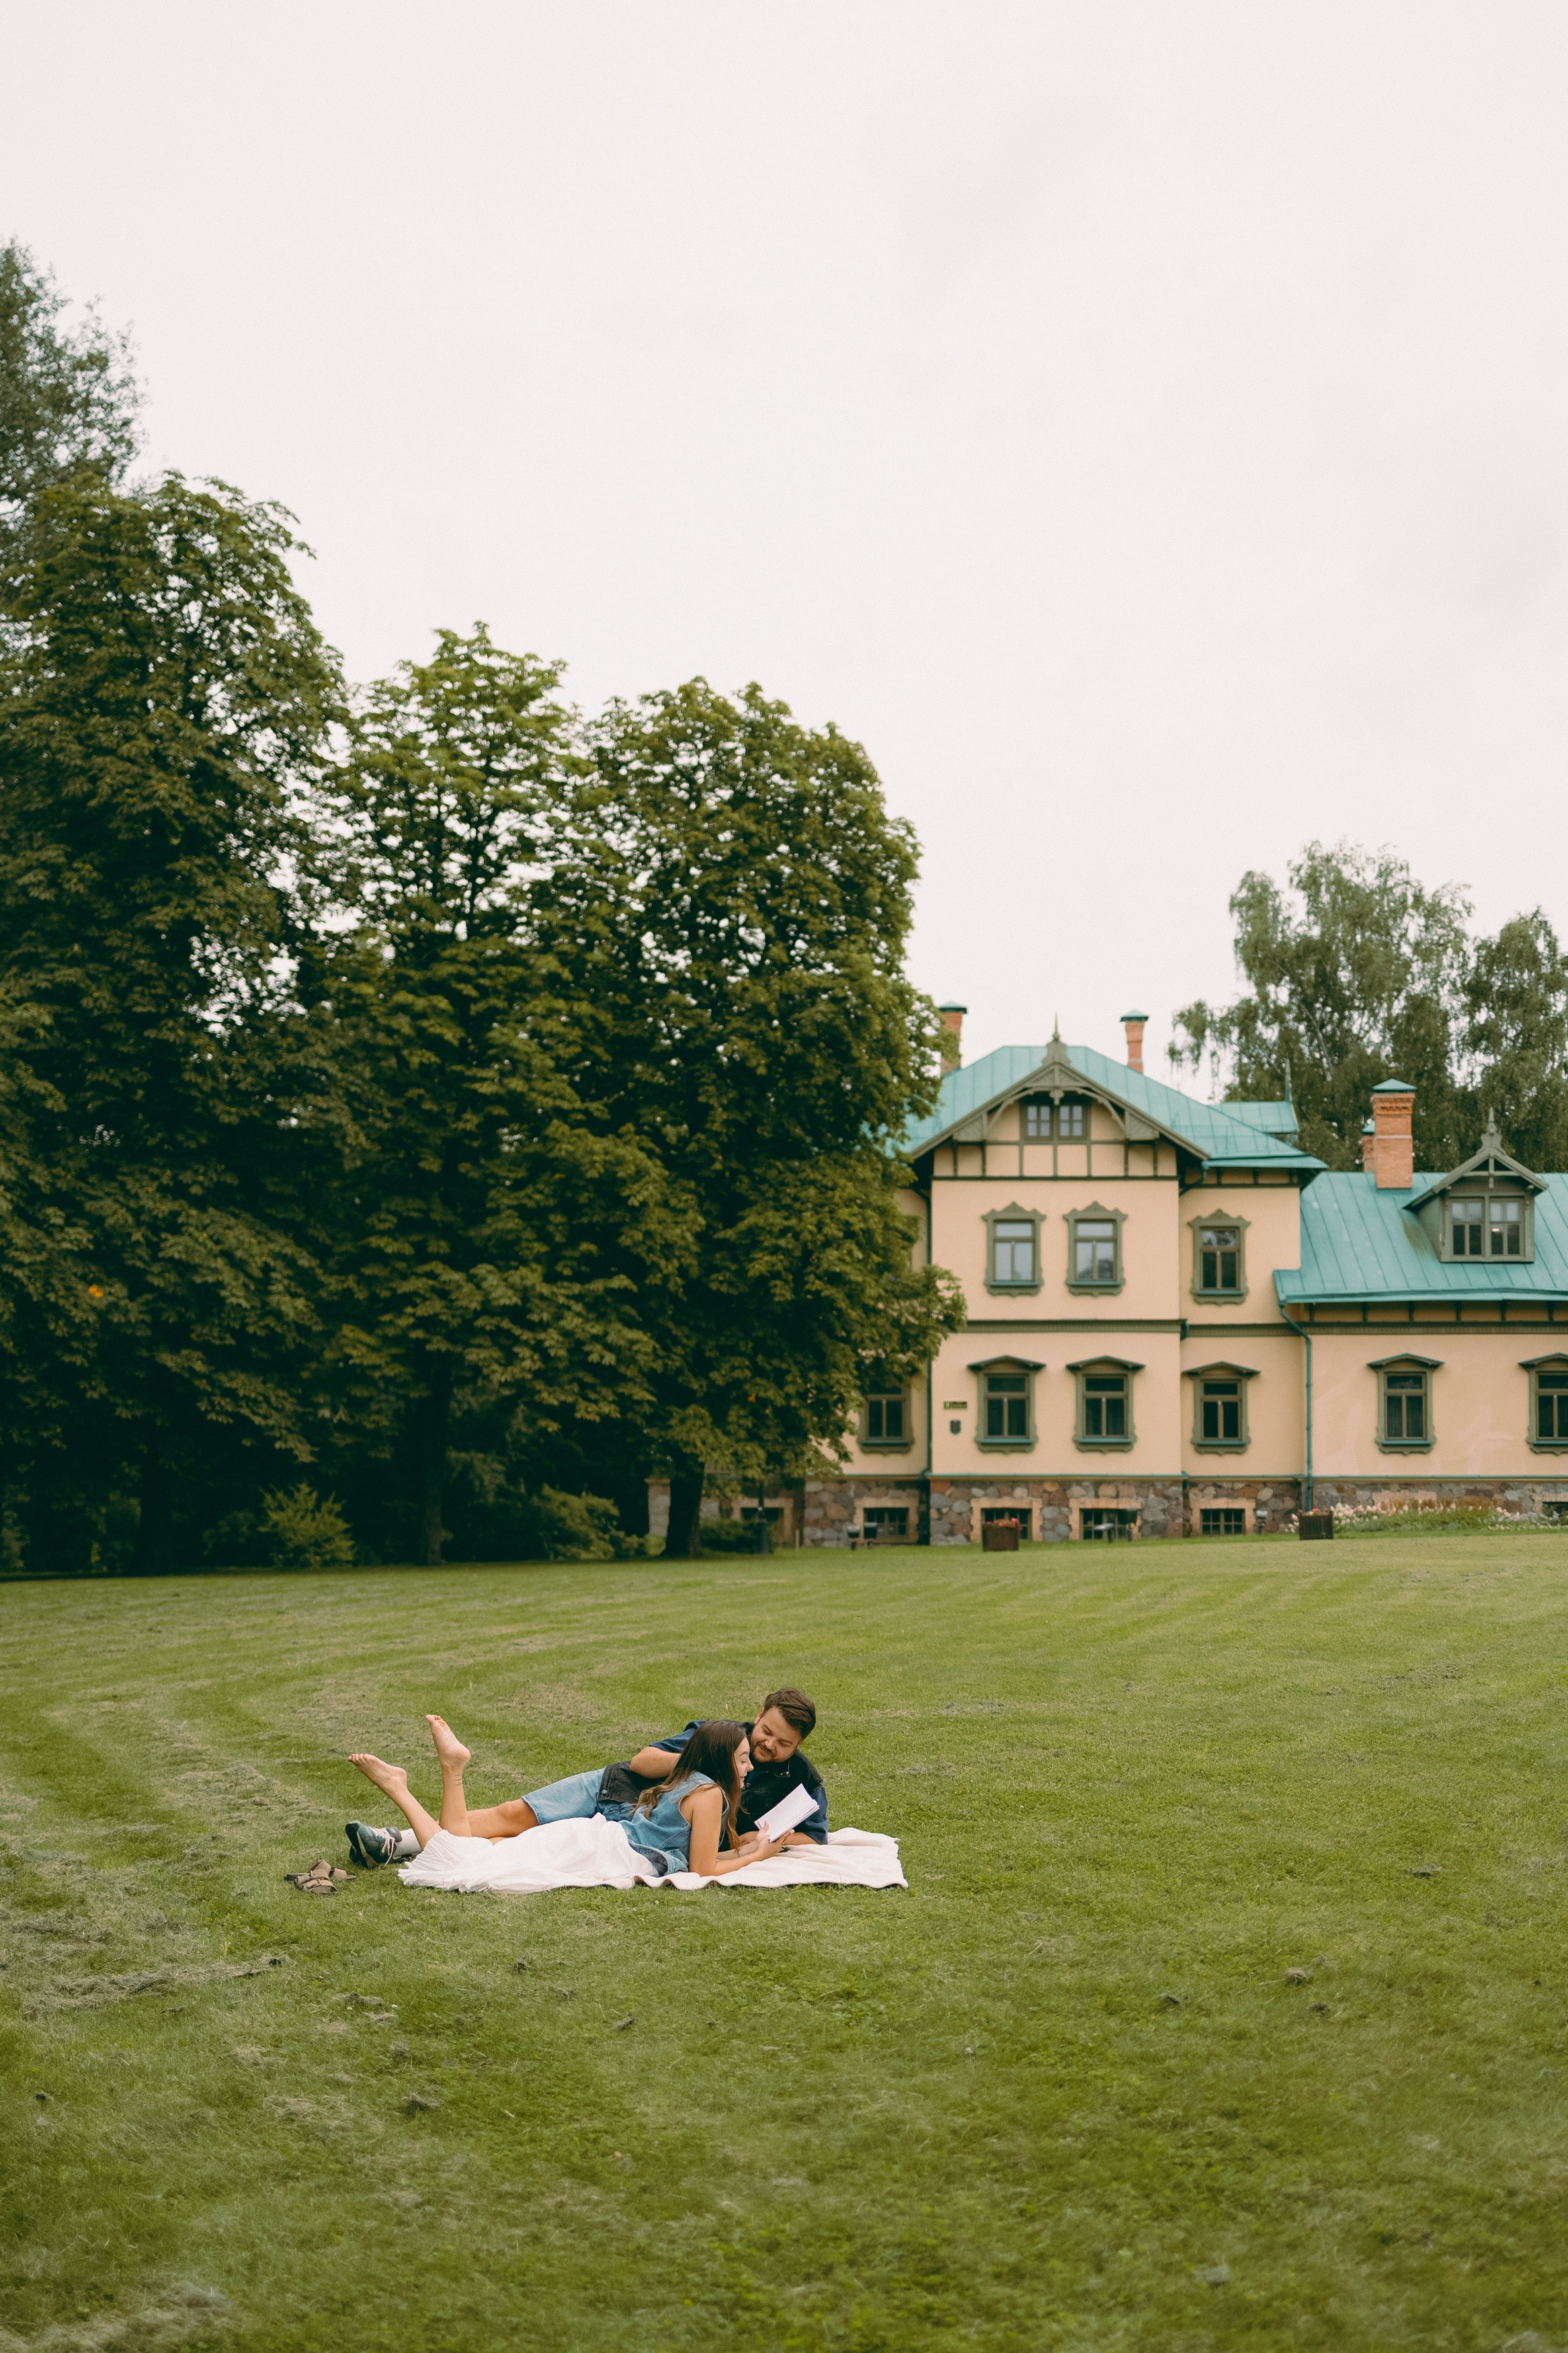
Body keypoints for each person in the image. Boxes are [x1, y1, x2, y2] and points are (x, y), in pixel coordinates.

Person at [346, 1685, 825, 1868]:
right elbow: (641, 1763)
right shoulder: (719, 1740)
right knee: (511, 1816)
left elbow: (813, 1839)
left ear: (798, 1746)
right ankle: (402, 1838)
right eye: (765, 1732)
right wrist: (704, 1769)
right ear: (758, 1714)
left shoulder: (800, 1780)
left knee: (502, 1849)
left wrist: (765, 1840)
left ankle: (397, 1841)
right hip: (620, 1791)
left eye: (781, 1744)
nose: (766, 1747)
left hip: (646, 1830)